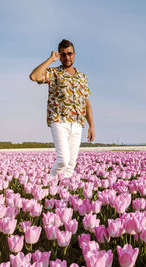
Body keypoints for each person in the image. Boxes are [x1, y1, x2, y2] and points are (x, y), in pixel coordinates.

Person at [29, 39, 95, 178]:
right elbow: (34, 76)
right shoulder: (54, 72)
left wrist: (91, 126)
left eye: (69, 53)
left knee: (71, 164)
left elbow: (86, 102)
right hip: (59, 120)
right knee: (63, 160)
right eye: (63, 54)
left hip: (77, 123)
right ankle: (50, 185)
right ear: (60, 56)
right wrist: (51, 59)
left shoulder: (82, 77)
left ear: (74, 54)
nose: (67, 57)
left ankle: (63, 195)